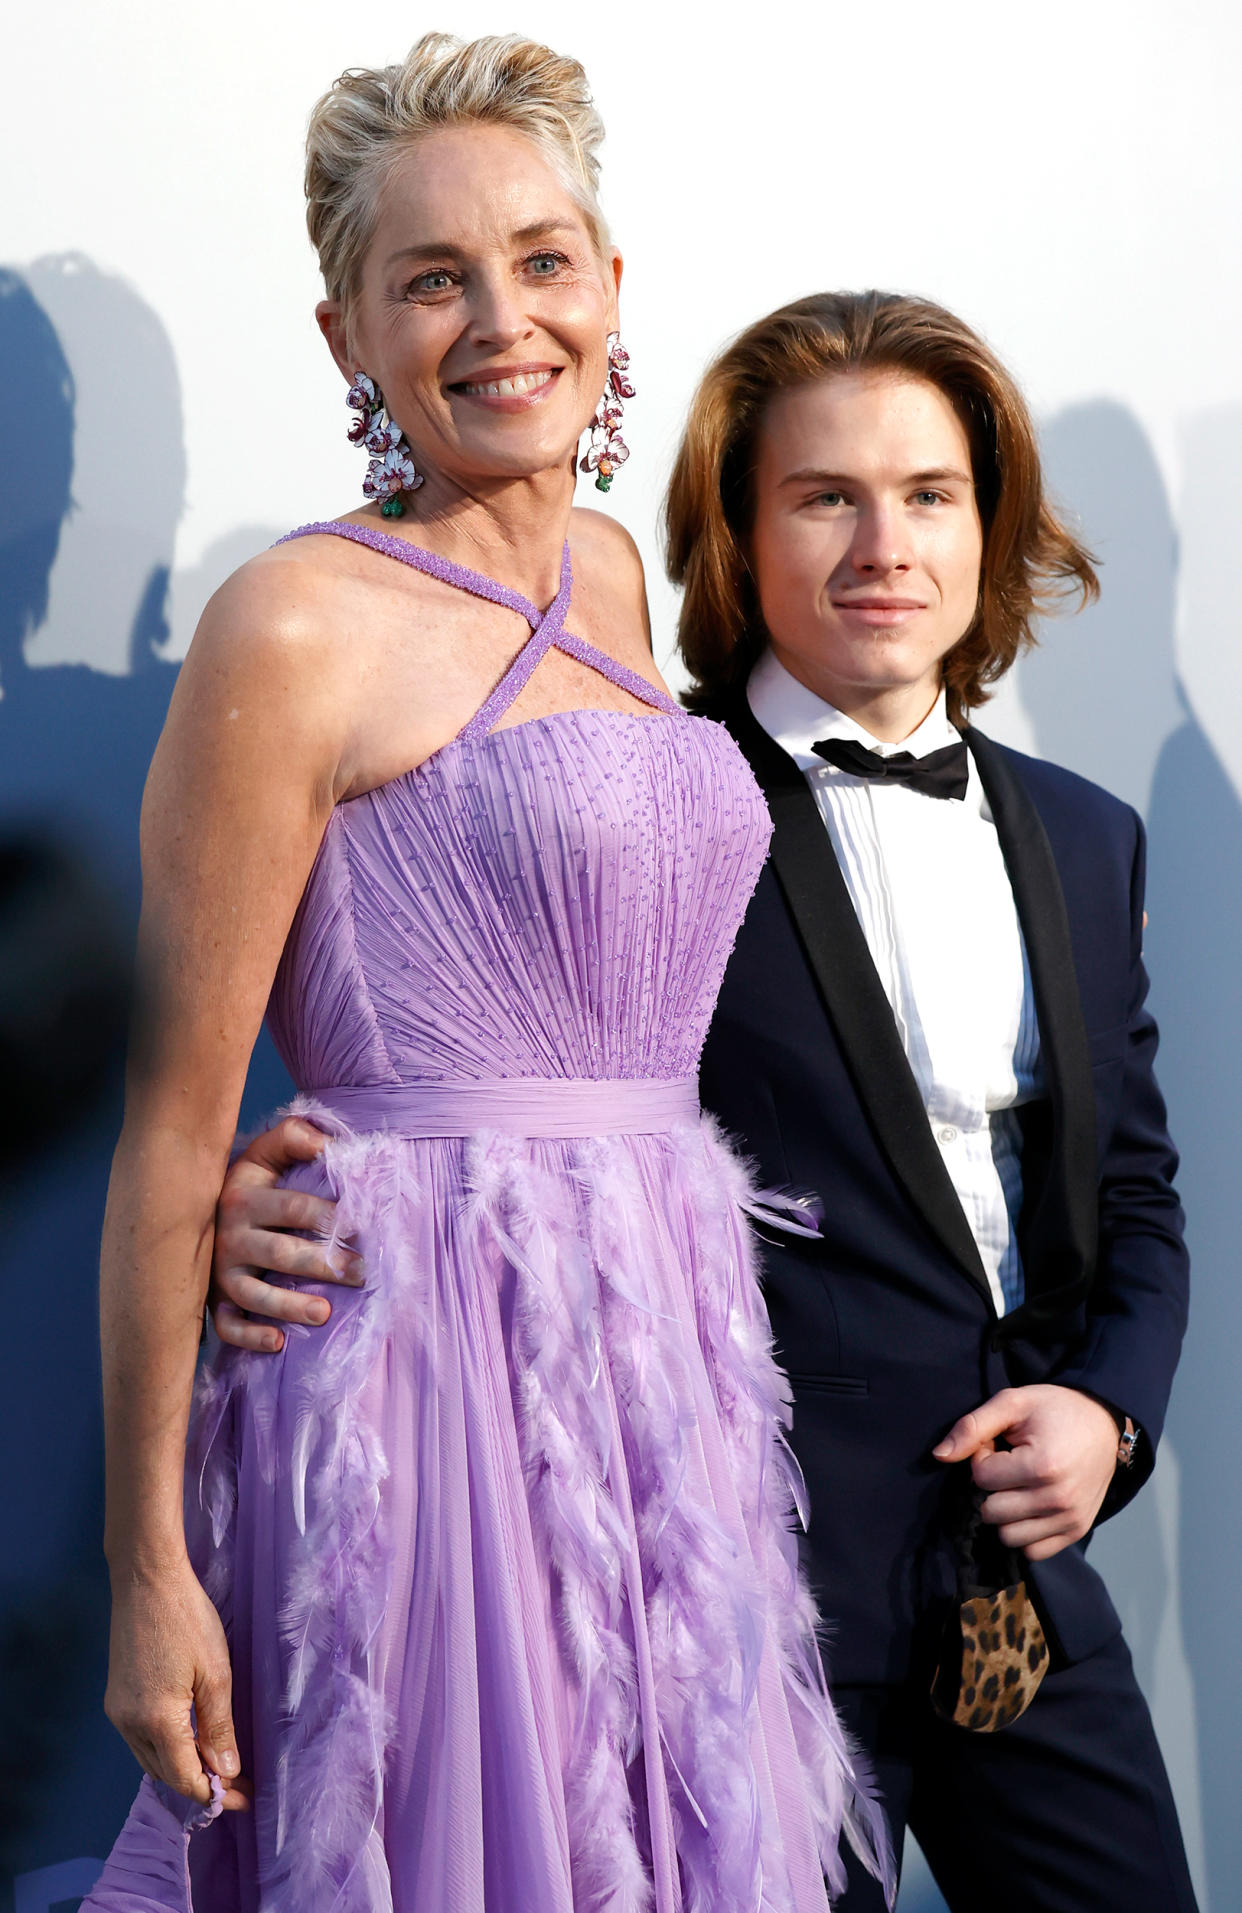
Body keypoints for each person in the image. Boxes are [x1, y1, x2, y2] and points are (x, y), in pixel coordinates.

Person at [217, 291, 1197, 1911]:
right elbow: (488, 1070)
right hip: (735, 1601)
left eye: (929, 494)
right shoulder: (648, 809)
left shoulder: (1090, 838)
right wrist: (283, 1189)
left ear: (988, 522)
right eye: (824, 496)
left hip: (1017, 1580)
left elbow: (1139, 1195)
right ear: (738, 535)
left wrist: (1112, 1413)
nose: (883, 544)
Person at [83, 37, 892, 1913]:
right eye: (429, 277)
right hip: (412, 1366)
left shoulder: (623, 574)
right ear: (343, 330)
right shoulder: (289, 626)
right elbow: (168, 1133)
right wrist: (148, 1569)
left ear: (611, 285)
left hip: (663, 1358)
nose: (499, 318)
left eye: (541, 259)